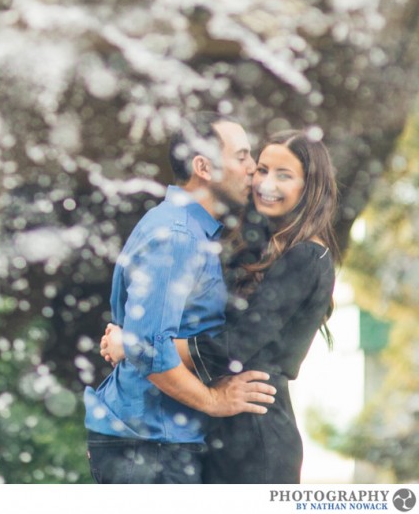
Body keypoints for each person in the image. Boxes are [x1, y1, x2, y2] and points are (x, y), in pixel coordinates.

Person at [100, 128, 339, 483]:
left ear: (310, 187)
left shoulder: (308, 256)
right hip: (219, 429)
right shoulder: (262, 247)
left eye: (283, 175)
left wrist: (135, 345)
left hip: (254, 432)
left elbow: (233, 348)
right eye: (261, 169)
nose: (264, 183)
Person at [84, 112, 276, 484]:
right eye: (242, 156)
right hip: (150, 443)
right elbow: (149, 350)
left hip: (154, 440)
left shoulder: (187, 229)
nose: (253, 168)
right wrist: (215, 401)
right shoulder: (177, 237)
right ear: (203, 167)